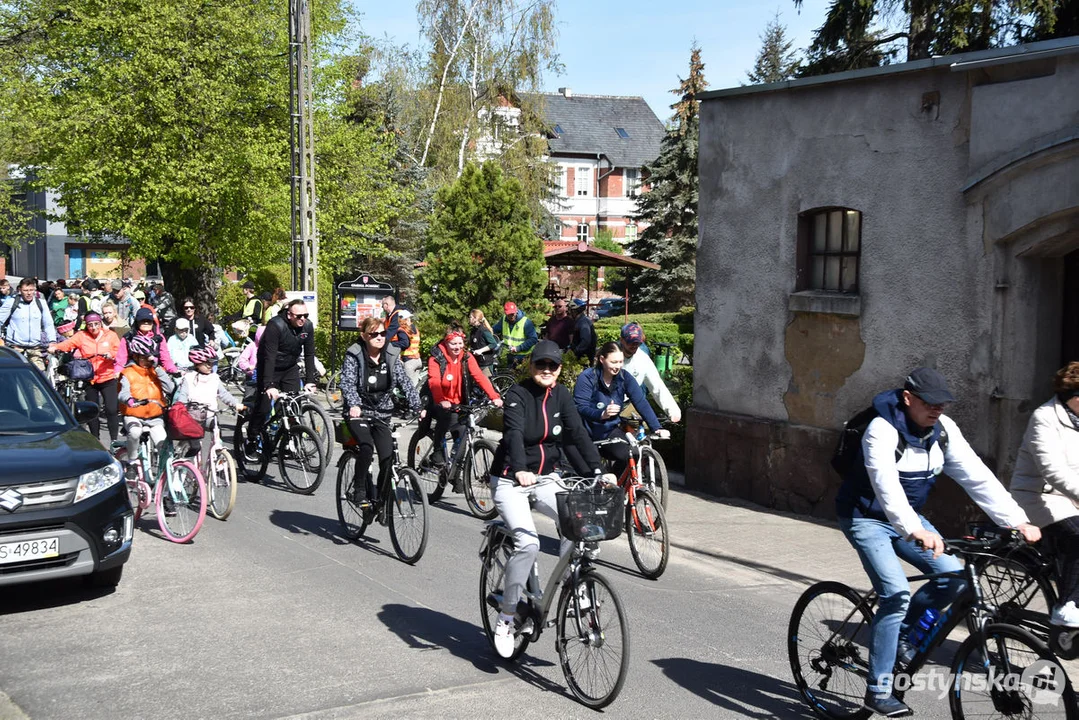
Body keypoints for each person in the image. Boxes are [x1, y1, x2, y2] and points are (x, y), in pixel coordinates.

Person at [834, 367, 1041, 717]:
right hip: (866, 517)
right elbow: (886, 487)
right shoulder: (881, 431)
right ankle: (878, 689)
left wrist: (1016, 519)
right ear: (908, 398)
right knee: (896, 593)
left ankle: (900, 637)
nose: (936, 410)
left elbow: (976, 476)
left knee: (954, 578)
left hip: (911, 519)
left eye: (942, 404)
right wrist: (914, 529)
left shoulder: (943, 431)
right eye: (929, 403)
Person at [489, 340, 614, 658]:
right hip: (511, 480)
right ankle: (506, 618)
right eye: (540, 364)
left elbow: (577, 435)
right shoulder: (518, 395)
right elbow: (514, 435)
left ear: (559, 370)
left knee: (580, 525)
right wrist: (519, 469)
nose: (546, 370)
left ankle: (575, 586)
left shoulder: (560, 395)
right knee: (529, 544)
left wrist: (598, 471)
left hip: (546, 477)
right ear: (531, 366)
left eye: (553, 366)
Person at [1010, 362, 1079, 627]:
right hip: (1040, 497)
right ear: (1073, 398)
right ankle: (1068, 606)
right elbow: (1053, 471)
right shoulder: (1045, 417)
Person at [341, 317, 424, 505]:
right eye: (374, 334)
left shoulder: (391, 354)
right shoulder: (354, 354)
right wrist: (354, 404)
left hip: (382, 413)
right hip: (359, 412)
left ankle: (380, 500)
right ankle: (359, 487)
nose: (380, 337)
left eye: (383, 333)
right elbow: (347, 383)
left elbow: (405, 383)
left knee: (388, 459)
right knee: (367, 447)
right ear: (364, 336)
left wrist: (418, 406)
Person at [573, 342, 667, 477]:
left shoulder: (624, 377)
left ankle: (615, 489)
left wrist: (656, 427)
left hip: (609, 431)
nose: (618, 366)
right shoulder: (587, 377)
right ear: (602, 359)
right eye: (614, 362)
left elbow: (640, 401)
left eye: (621, 362)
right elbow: (580, 407)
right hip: (586, 432)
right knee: (595, 474)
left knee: (632, 454)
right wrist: (601, 414)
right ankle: (603, 488)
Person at [424, 324, 503, 472]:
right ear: (446, 342)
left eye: (460, 343)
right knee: (446, 419)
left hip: (459, 402)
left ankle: (455, 473)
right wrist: (441, 399)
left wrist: (494, 397)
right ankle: (437, 452)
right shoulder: (436, 358)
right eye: (453, 343)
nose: (457, 347)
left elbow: (479, 377)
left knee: (462, 434)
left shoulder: (466, 357)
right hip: (438, 399)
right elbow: (434, 381)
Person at [248, 300, 317, 454]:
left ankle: (288, 440)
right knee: (264, 406)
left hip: (290, 367)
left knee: (294, 406)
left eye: (305, 315)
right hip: (270, 366)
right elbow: (269, 356)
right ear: (289, 314)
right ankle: (252, 437)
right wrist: (269, 384)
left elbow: (309, 354)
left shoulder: (307, 326)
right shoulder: (276, 325)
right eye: (299, 316)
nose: (302, 319)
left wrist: (310, 381)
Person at [47, 312, 122, 441]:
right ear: (86, 325)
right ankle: (95, 440)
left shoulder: (111, 335)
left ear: (100, 323)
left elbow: (119, 352)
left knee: (111, 409)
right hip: (89, 378)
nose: (93, 327)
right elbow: (68, 344)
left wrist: (111, 354)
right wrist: (55, 347)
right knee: (92, 411)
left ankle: (114, 441)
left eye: (96, 324)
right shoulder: (82, 336)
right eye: (90, 325)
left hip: (107, 376)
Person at [173, 346, 243, 470]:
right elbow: (182, 396)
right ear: (197, 364)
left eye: (211, 363)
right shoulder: (189, 378)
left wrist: (235, 403)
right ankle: (185, 466)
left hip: (210, 415)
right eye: (206, 363)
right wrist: (181, 407)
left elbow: (223, 394)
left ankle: (219, 456)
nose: (210, 366)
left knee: (217, 430)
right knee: (195, 445)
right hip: (193, 417)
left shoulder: (214, 378)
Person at [118, 335, 176, 463]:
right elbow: (122, 393)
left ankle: (164, 474)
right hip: (134, 415)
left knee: (162, 441)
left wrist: (158, 369)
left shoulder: (156, 371)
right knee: (134, 432)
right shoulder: (128, 373)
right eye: (144, 358)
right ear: (135, 356)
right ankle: (132, 461)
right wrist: (129, 400)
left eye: (150, 358)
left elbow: (170, 388)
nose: (148, 361)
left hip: (155, 417)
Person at [618, 322, 682, 423]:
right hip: (607, 403)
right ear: (621, 340)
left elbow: (657, 386)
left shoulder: (643, 358)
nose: (634, 346)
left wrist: (672, 410)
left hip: (629, 403)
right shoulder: (612, 354)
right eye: (630, 342)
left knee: (645, 429)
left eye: (637, 343)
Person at [0, 277, 57, 371]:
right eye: (25, 290)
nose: (29, 293)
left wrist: (52, 341)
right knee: (15, 376)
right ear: (20, 290)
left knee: (39, 376)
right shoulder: (12, 302)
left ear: (35, 290)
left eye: (31, 290)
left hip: (35, 347)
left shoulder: (41, 303)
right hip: (15, 347)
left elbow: (48, 324)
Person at [116, 308, 178, 374]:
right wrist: (117, 372)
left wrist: (174, 371)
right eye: (142, 320)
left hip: (155, 371)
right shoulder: (128, 337)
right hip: (134, 372)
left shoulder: (159, 337)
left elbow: (165, 359)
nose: (146, 323)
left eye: (149, 321)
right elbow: (121, 360)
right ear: (137, 322)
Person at [492, 301, 537, 366]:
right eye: (509, 314)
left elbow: (533, 339)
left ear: (516, 311)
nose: (511, 316)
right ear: (505, 313)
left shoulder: (526, 322)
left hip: (523, 356)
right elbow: (494, 330)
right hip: (510, 355)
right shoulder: (503, 320)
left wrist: (518, 348)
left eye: (513, 314)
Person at [468, 309, 499, 377]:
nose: (469, 319)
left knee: (486, 385)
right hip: (477, 363)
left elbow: (493, 344)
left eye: (470, 317)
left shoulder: (484, 330)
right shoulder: (473, 331)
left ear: (476, 318)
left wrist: (480, 350)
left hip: (485, 364)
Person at [397, 309, 423, 384]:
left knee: (409, 387)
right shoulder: (415, 329)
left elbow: (405, 344)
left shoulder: (402, 330)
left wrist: (392, 344)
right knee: (415, 386)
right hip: (418, 360)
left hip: (409, 361)